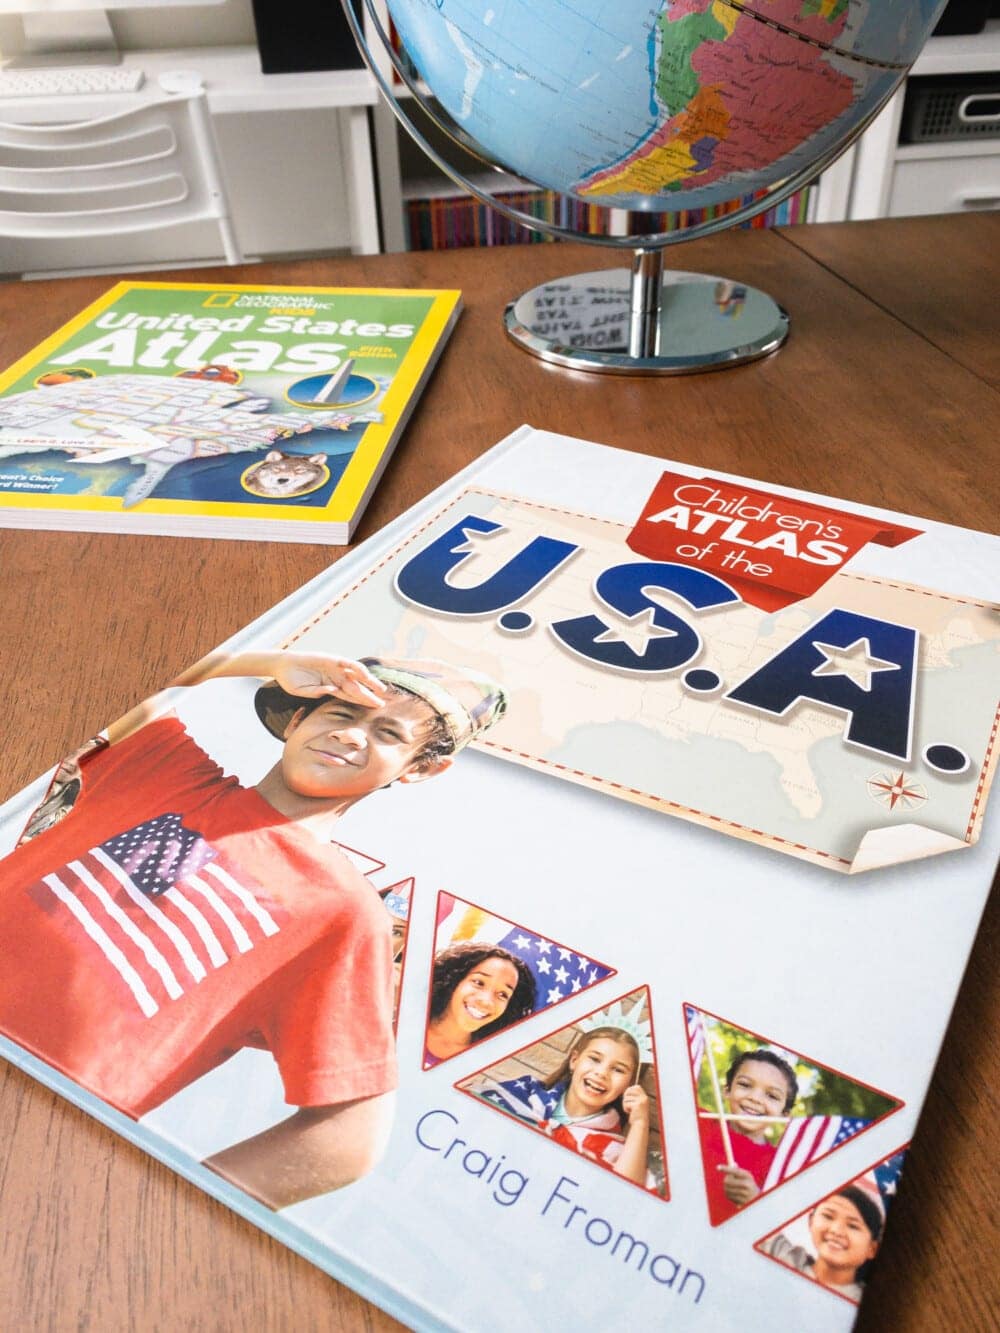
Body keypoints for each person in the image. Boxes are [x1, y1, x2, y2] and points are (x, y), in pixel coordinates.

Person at [0, 648, 507, 1211]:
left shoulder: (344, 914)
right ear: (296, 719)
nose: (352, 736)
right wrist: (268, 664)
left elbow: (349, 1138)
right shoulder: (162, 771)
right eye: (339, 715)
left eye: (387, 732)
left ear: (421, 768)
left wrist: (154, 1213)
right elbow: (106, 667)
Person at [479, 1024, 656, 1190]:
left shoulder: (617, 1151)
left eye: (618, 1070)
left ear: (629, 1084)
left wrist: (640, 1122)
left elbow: (624, 1199)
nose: (601, 1073)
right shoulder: (525, 1094)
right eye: (595, 1059)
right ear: (574, 1060)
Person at [697, 1048, 799, 1224]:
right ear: (727, 1090)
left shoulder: (779, 1166)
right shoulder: (698, 1122)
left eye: (772, 1095)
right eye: (745, 1085)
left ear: (784, 1114)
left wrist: (754, 1199)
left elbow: (777, 1226)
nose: (755, 1098)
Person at [762, 1184, 883, 1303]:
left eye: (853, 1226)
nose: (836, 1230)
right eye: (828, 1216)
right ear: (811, 1221)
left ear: (872, 1249)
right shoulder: (783, 1258)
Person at [424, 941, 536, 1066]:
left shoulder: (485, 1062)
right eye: (478, 982)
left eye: (503, 994)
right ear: (453, 980)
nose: (486, 1001)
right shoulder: (402, 1022)